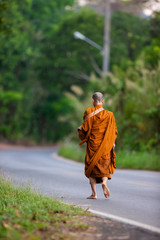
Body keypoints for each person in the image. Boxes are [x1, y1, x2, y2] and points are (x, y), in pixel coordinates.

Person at [78, 92, 118, 199]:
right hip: (105, 145)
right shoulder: (110, 115)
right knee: (104, 167)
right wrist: (112, 143)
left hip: (93, 145)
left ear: (93, 100)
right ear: (103, 101)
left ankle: (94, 194)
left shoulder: (89, 111)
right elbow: (113, 131)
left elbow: (85, 129)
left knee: (91, 169)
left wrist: (81, 134)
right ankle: (104, 183)